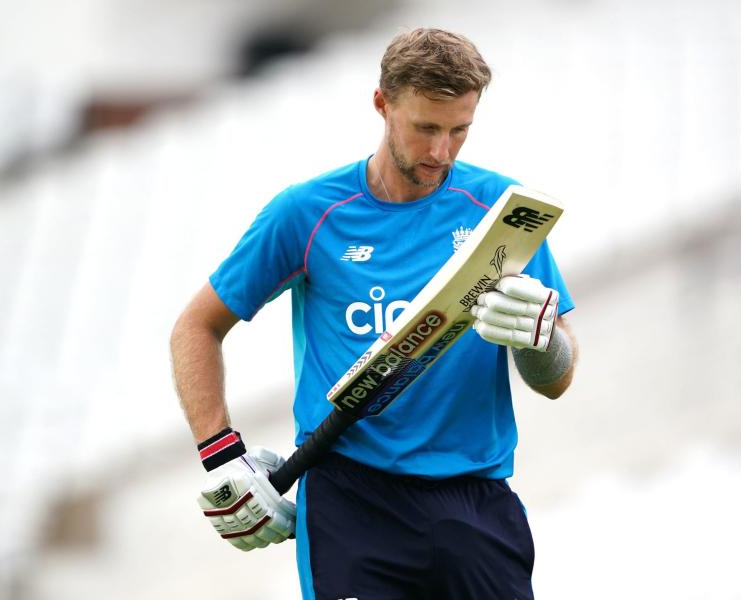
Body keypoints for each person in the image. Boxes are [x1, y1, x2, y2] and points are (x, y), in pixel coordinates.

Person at [170, 27, 578, 599]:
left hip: (476, 501)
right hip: (350, 502)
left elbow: (556, 380)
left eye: (459, 130)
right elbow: (197, 326)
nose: (441, 151)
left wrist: (541, 345)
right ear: (382, 104)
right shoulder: (308, 213)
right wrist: (221, 455)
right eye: (425, 128)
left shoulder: (504, 214)